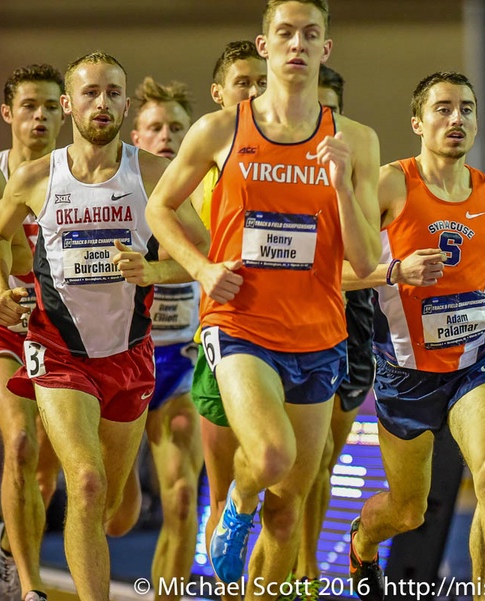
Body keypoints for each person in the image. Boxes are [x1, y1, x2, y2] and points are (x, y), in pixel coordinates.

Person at [146, 0, 380, 591]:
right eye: (285, 33)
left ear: (325, 48)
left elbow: (366, 261)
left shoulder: (355, 140)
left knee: (286, 510)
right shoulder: (221, 129)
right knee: (271, 459)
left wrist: (340, 187)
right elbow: (160, 207)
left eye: (310, 34)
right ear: (265, 44)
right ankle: (234, 504)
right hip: (240, 323)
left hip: (321, 336)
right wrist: (200, 268)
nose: (297, 44)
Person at [0, 51, 208, 601]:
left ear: (125, 104)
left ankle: (111, 476)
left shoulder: (152, 174)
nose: (101, 103)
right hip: (56, 352)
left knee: (115, 512)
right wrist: (1, 287)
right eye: (90, 93)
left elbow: (202, 250)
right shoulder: (37, 176)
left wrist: (153, 267)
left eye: (112, 93)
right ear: (70, 104)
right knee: (82, 480)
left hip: (129, 354)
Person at [345, 71, 485, 601]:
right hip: (404, 372)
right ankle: (362, 543)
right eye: (442, 109)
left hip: (473, 361)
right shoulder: (390, 184)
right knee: (408, 510)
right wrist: (396, 272)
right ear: (417, 122)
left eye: (466, 109)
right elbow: (336, 267)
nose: (455, 118)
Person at [0, 63, 65, 601]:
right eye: (29, 106)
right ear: (8, 113)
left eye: (51, 107)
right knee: (18, 442)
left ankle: (12, 544)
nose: (40, 116)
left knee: (47, 477)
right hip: (1, 327)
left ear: (67, 112)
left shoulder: (87, 177)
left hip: (65, 338)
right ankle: (28, 587)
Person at [292, 64, 377, 601]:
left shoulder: (356, 157)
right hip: (298, 318)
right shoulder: (279, 159)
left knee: (327, 457)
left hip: (355, 320)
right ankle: (299, 568)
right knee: (307, 451)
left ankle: (308, 564)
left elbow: (368, 254)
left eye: (326, 111)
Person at [187, 40, 266, 601]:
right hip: (221, 338)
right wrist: (201, 267)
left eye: (261, 81)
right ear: (219, 94)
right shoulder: (204, 168)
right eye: (244, 82)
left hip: (292, 338)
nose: (256, 91)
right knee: (219, 496)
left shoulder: (295, 153)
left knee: (281, 493)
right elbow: (163, 227)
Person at [129, 76, 204, 601]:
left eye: (177, 126)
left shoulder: (202, 194)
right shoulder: (114, 191)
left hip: (180, 359)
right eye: (155, 126)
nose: (166, 136)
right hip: (118, 362)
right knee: (115, 513)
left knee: (181, 499)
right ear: (137, 134)